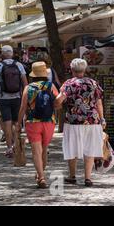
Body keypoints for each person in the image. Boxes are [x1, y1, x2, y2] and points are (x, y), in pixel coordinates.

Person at [54, 58, 105, 187]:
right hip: (92, 120)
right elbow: (99, 103)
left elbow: (59, 100)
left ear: (71, 69)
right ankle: (88, 178)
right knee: (90, 148)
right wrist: (102, 119)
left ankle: (72, 176)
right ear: (84, 69)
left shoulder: (69, 84)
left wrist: (55, 105)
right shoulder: (93, 83)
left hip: (73, 120)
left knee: (72, 147)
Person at [17, 62, 59, 188]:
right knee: (44, 150)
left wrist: (18, 123)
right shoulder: (51, 86)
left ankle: (41, 177)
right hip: (49, 122)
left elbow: (23, 107)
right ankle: (40, 173)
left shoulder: (28, 88)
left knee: (36, 151)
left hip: (32, 122)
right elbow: (58, 104)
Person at [0, 45, 28, 158]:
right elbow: (25, 83)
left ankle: (9, 148)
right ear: (12, 53)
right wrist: (26, 97)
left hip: (3, 98)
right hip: (17, 97)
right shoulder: (19, 65)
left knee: (7, 122)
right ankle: (17, 145)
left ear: (2, 54)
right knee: (17, 122)